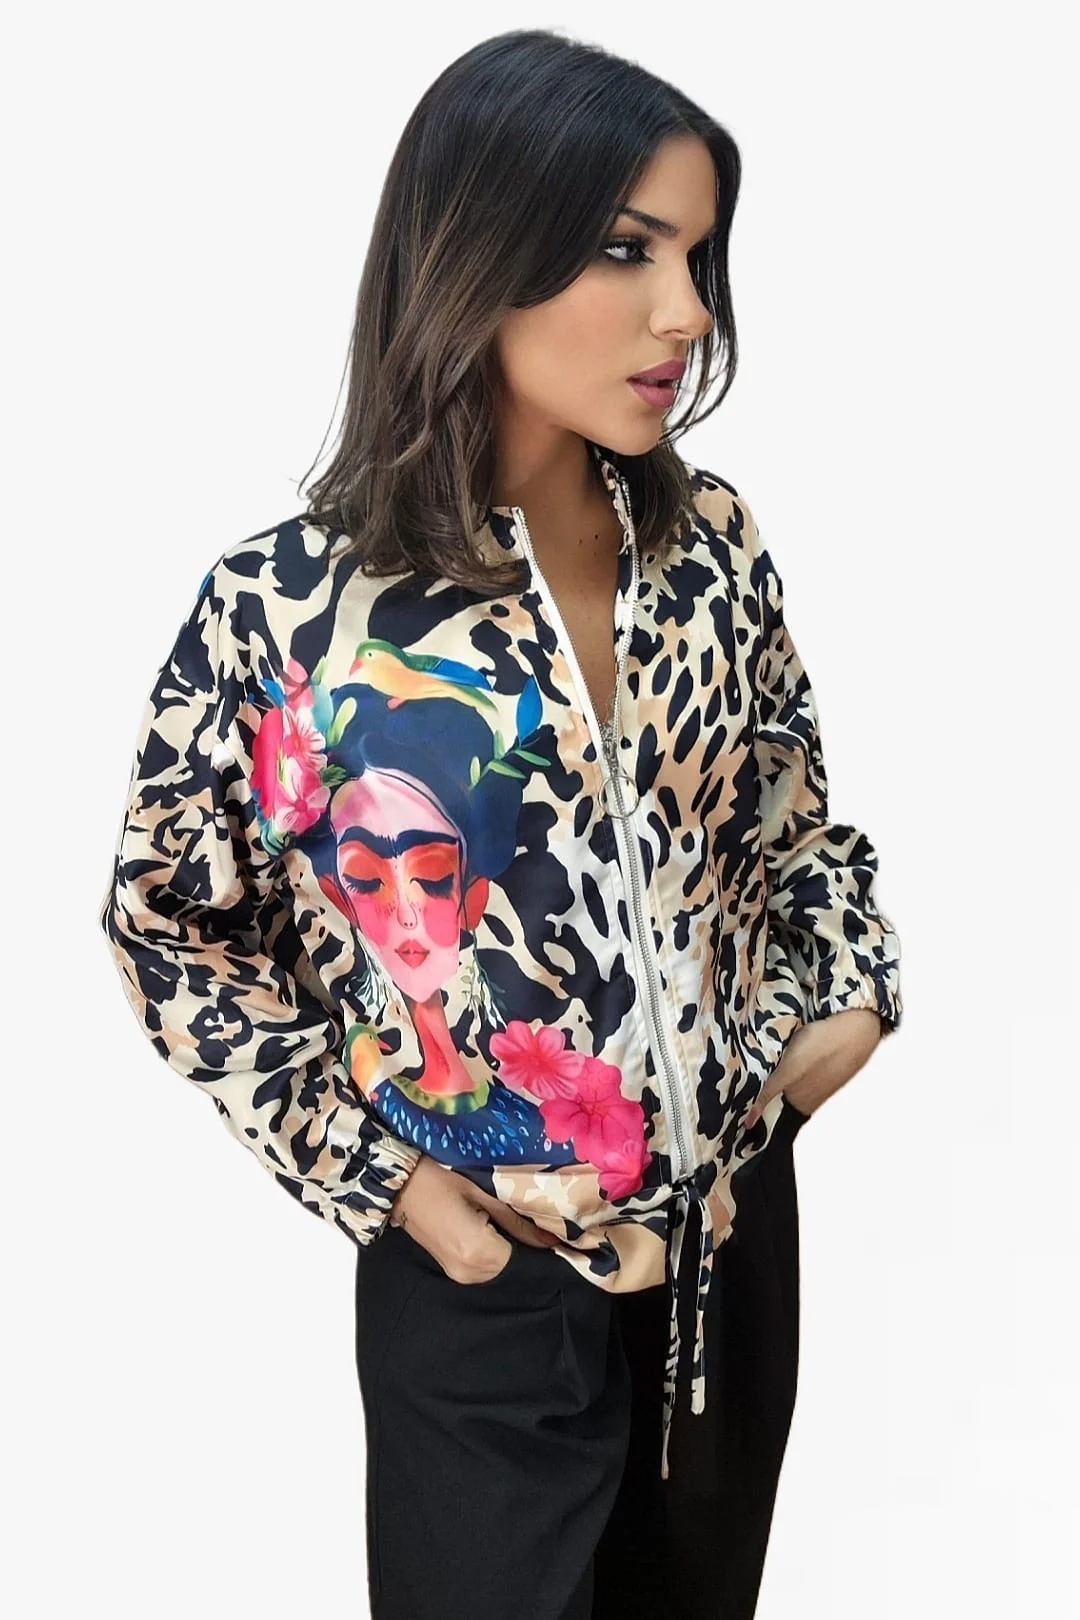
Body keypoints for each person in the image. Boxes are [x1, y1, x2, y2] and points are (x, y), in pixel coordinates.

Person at [98, 26, 903, 1620]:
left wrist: (845, 1000)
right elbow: (170, 923)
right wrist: (384, 1183)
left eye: (698, 255)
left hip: (725, 1261)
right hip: (483, 1280)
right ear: (479, 254)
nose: (687, 311)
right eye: (630, 250)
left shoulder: (711, 546)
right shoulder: (291, 611)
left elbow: (794, 825)